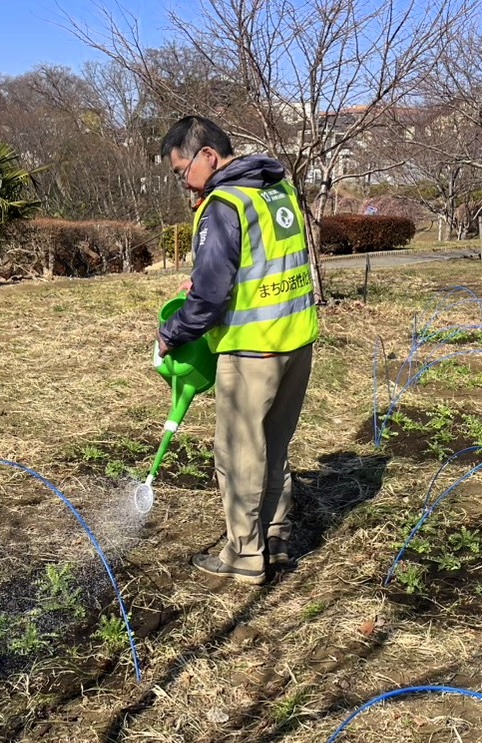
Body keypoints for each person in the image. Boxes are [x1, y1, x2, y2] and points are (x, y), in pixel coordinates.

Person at [156, 115, 319, 584]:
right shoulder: (275, 190)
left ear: (207, 156)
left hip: (253, 349)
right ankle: (275, 534)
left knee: (239, 451)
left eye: (180, 170)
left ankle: (245, 554)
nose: (183, 183)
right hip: (297, 341)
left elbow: (208, 298)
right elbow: (263, 263)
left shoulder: (224, 204)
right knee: (273, 443)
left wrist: (173, 331)